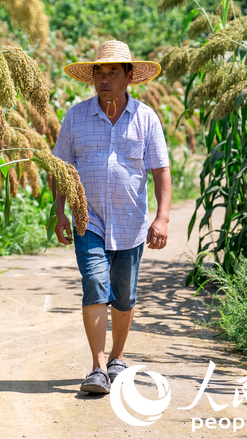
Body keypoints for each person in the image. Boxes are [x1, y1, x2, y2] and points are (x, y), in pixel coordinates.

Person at [51, 39, 172, 394]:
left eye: (113, 72)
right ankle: (98, 367)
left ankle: (118, 357)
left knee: (123, 296)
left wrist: (161, 219)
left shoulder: (146, 118)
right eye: (99, 73)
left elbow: (161, 171)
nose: (104, 79)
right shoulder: (76, 116)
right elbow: (61, 168)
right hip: (88, 220)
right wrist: (59, 213)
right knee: (94, 285)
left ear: (129, 76)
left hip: (131, 223)